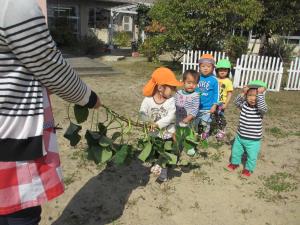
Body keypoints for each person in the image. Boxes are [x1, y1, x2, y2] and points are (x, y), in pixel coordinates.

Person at [0, 0, 101, 224]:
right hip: (14, 136)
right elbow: (48, 64)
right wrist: (89, 98)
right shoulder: (13, 5)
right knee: (21, 213)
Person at [139, 67, 182, 182]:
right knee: (155, 150)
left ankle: (163, 173)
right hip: (153, 133)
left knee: (165, 153)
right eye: (172, 87)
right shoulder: (148, 100)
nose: (174, 90)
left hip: (167, 133)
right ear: (160, 88)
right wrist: (148, 121)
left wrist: (157, 124)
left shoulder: (170, 100)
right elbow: (142, 112)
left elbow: (171, 116)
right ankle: (155, 165)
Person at [226, 80, 268, 178]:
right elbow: (236, 102)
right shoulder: (244, 105)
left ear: (261, 97)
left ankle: (248, 169)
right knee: (235, 152)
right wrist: (243, 92)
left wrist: (260, 95)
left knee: (251, 157)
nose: (253, 98)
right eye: (250, 96)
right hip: (240, 137)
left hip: (253, 140)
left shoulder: (260, 109)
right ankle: (234, 163)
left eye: (256, 96)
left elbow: (263, 107)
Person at [175, 70, 200, 156]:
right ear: (183, 82)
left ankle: (189, 147)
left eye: (194, 83)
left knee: (189, 134)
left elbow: (195, 109)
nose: (191, 85)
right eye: (189, 82)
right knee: (178, 133)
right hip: (178, 118)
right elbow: (174, 104)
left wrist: (188, 118)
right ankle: (177, 145)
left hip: (189, 121)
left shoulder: (195, 95)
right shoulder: (178, 93)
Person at [195, 54, 219, 140]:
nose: (205, 68)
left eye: (208, 66)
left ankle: (205, 135)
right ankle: (195, 133)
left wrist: (214, 105)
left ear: (213, 68)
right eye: (203, 66)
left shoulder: (214, 80)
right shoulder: (197, 77)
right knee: (195, 122)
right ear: (199, 67)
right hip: (196, 106)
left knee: (206, 123)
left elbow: (217, 93)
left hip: (208, 108)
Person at [214, 59, 233, 141]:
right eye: (220, 70)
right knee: (214, 116)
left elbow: (229, 94)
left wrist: (226, 104)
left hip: (221, 103)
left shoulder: (228, 81)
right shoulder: (214, 79)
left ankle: (222, 130)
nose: (222, 71)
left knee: (220, 117)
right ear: (217, 70)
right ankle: (215, 128)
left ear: (228, 71)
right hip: (214, 102)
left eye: (225, 70)